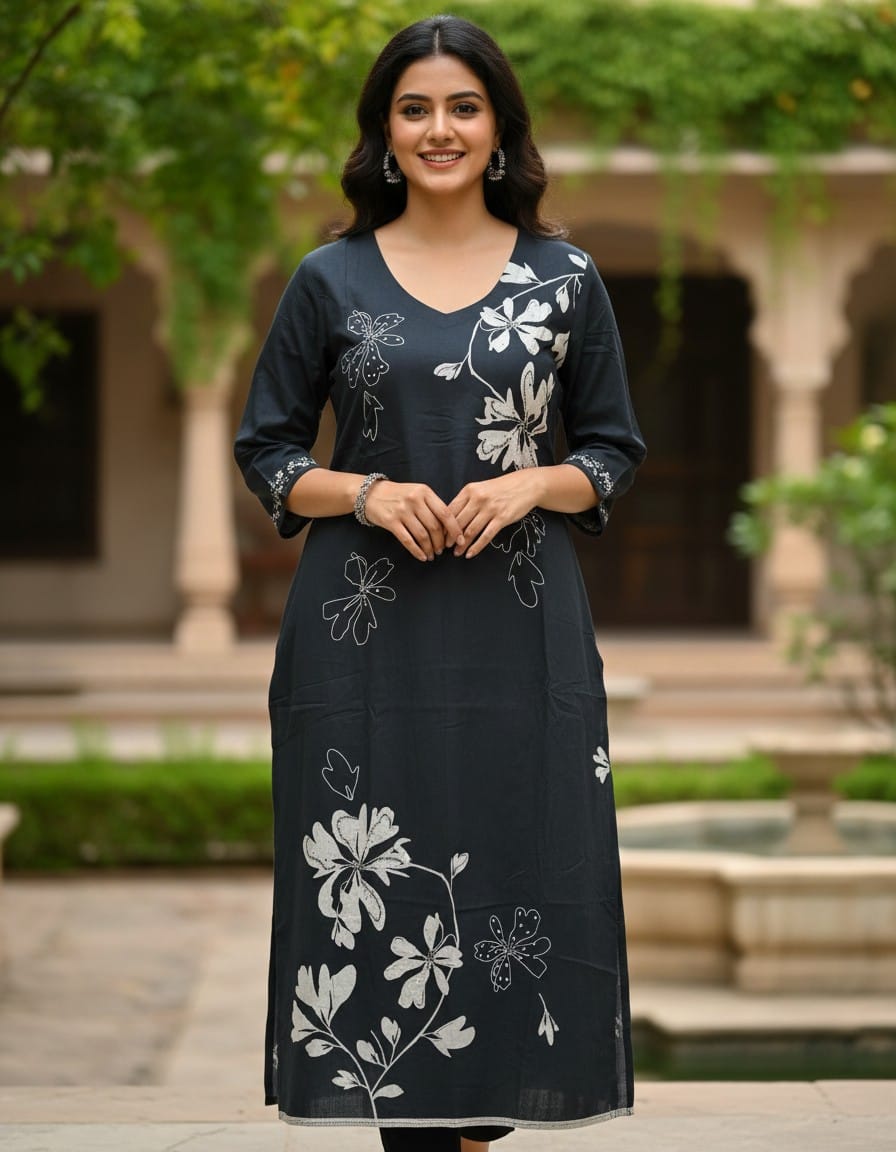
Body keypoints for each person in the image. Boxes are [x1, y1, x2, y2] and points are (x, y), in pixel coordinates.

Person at [234, 14, 646, 1152]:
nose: (438, 129)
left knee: (520, 869)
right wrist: (361, 492)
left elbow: (611, 449)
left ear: (500, 129)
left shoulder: (562, 279)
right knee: (384, 902)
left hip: (521, 635)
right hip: (363, 642)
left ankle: (479, 1118)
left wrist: (531, 485)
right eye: (413, 108)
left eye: (461, 106)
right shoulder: (330, 277)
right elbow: (266, 450)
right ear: (382, 132)